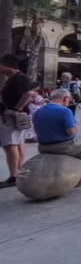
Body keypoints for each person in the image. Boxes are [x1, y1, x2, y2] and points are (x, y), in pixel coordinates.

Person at [0, 54, 33, 188]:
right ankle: (18, 172)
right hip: (14, 115)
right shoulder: (15, 78)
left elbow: (29, 93)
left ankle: (13, 176)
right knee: (17, 143)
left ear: (7, 66)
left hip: (11, 116)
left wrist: (16, 109)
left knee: (10, 144)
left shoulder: (19, 78)